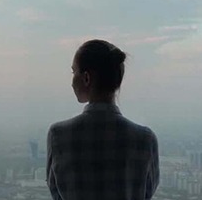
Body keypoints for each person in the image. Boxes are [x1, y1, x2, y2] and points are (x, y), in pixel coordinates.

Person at [46, 39, 160, 200]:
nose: (72, 82)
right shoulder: (145, 139)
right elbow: (147, 193)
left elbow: (56, 192)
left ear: (86, 78)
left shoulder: (59, 135)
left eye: (74, 72)